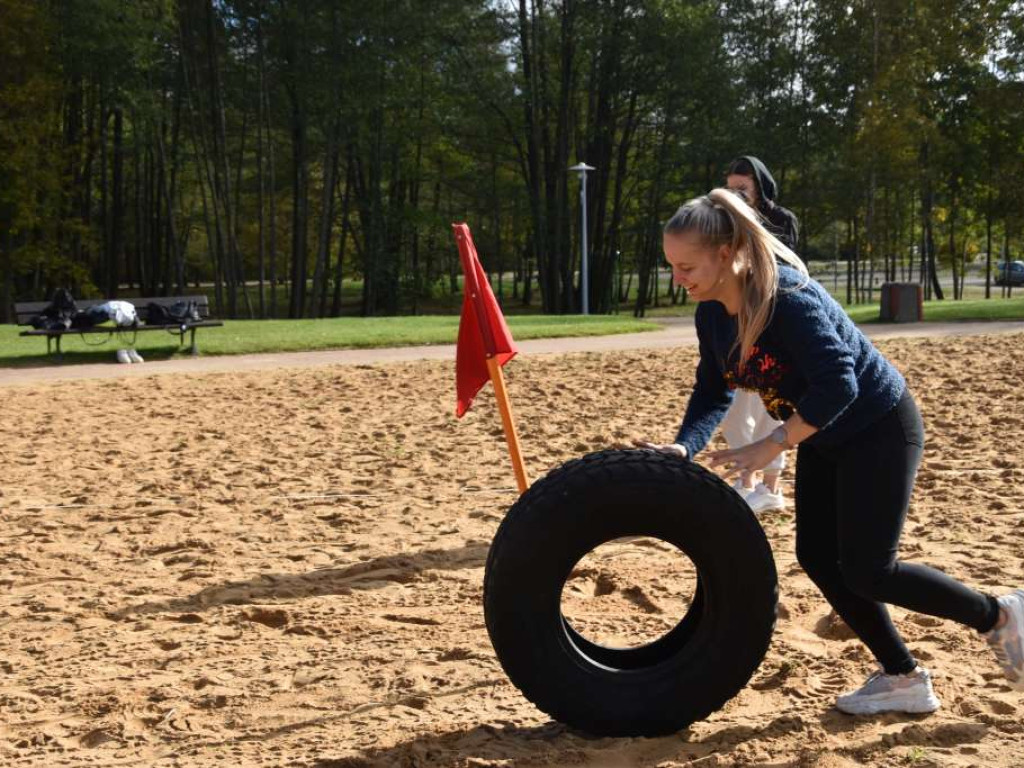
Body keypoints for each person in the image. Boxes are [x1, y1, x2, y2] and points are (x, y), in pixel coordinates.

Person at [636, 188, 1024, 715]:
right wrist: (684, 445)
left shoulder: (787, 299)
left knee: (869, 569)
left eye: (686, 267)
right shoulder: (711, 313)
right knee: (818, 556)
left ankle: (999, 615)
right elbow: (713, 388)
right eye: (672, 267)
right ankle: (903, 678)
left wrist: (773, 442)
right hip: (821, 432)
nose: (677, 279)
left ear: (725, 255)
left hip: (878, 426)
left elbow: (840, 384)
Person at [717, 156, 800, 512]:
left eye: (743, 188)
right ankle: (746, 480)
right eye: (731, 187)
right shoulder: (721, 222)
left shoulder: (782, 220)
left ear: (759, 187)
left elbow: (783, 267)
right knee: (735, 409)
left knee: (769, 407)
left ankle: (770, 487)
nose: (736, 194)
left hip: (772, 325)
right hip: (736, 326)